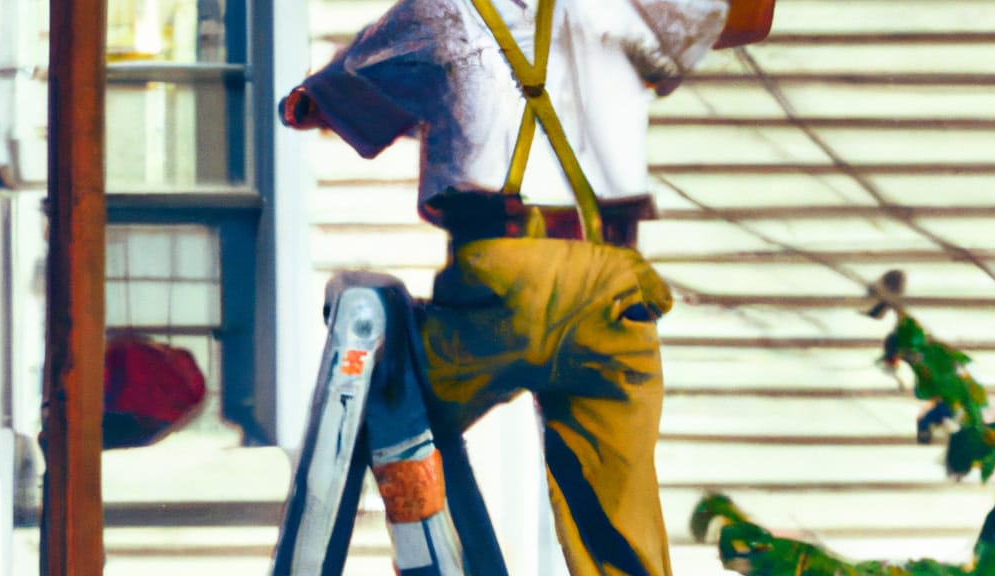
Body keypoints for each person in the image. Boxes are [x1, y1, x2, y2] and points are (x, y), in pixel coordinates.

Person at [280, 0, 774, 573]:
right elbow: (749, 18)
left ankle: (418, 519)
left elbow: (328, 102)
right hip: (610, 285)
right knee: (619, 510)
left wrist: (321, 106)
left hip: (500, 277)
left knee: (398, 407)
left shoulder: (439, 12)